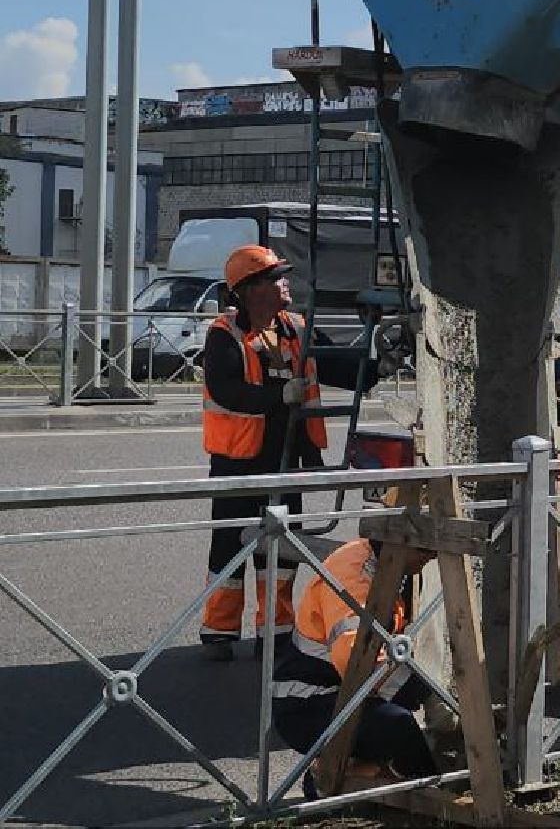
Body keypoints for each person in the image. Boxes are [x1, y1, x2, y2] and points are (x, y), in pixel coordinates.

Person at [200, 245, 374, 661]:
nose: (285, 284)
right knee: (230, 546)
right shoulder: (224, 335)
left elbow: (343, 368)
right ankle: (219, 629)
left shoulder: (296, 327)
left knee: (280, 549)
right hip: (238, 462)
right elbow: (227, 391)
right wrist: (280, 394)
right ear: (249, 290)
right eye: (276, 278)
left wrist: (378, 359)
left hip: (286, 460)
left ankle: (274, 631)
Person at [272, 537, 437, 796]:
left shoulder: (393, 565)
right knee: (401, 729)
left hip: (342, 694)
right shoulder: (353, 576)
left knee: (407, 729)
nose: (432, 555)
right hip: (306, 702)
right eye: (425, 547)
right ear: (399, 539)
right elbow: (355, 663)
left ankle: (350, 770)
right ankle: (426, 787)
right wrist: (427, 694)